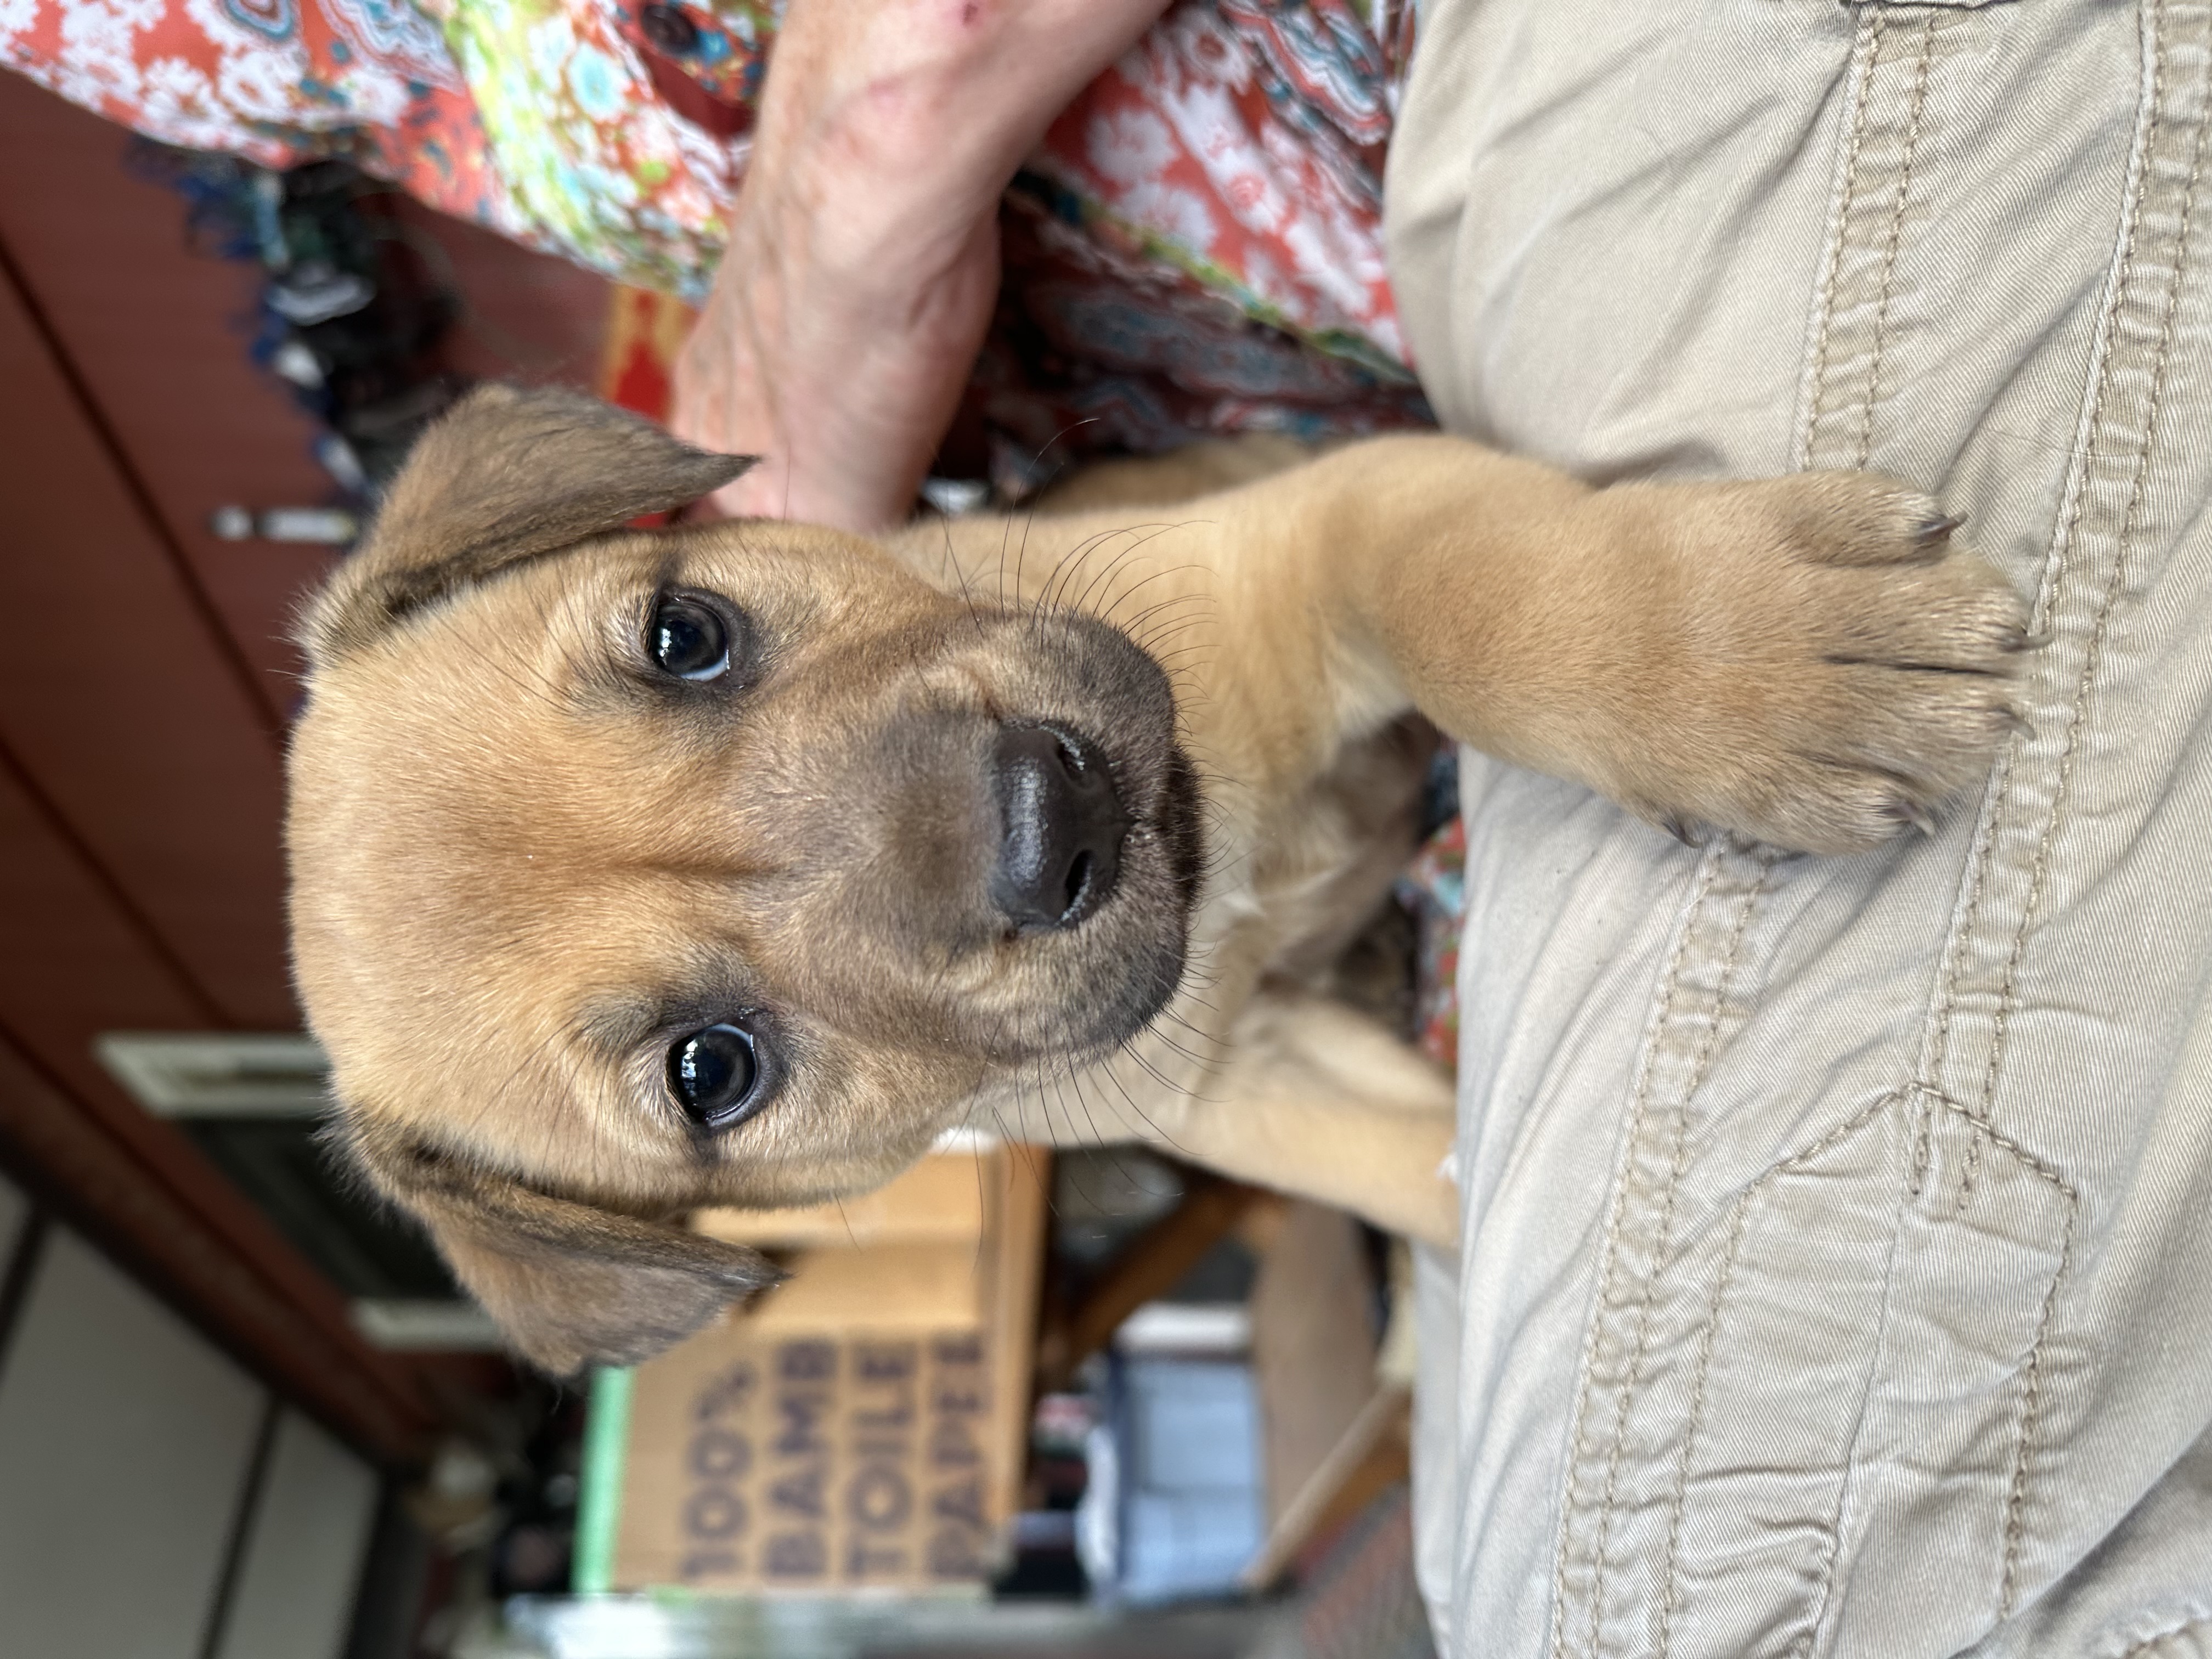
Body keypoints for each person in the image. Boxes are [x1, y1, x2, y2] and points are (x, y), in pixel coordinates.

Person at [14, 0, 2211, 1651]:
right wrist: (1467, 1213)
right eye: (715, 1061)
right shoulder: (967, 1056)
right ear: (710, 1216)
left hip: (1468, 355)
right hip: (1401, 663)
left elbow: (1350, 564)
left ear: (672, 500)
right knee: (1519, 1534)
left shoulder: (1063, 615)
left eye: (689, 647)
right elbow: (1237, 1071)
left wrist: (1618, 645)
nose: (966, 832)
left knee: (1668, 1576)